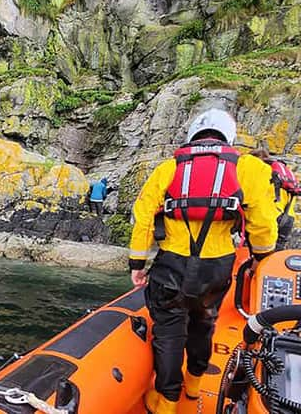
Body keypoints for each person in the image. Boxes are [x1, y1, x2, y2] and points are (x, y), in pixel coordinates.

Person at [128, 109, 278, 413]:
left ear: (192, 136)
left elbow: (143, 216)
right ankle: (194, 385)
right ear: (228, 137)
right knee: (204, 323)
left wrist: (137, 263)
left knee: (169, 331)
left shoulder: (168, 169)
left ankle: (166, 400)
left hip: (171, 265)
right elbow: (263, 222)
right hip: (217, 267)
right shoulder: (250, 168)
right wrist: (262, 258)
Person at [249, 148, 298, 251]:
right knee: (276, 254)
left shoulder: (263, 170)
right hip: (288, 216)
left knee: (259, 253)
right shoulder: (284, 172)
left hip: (272, 216)